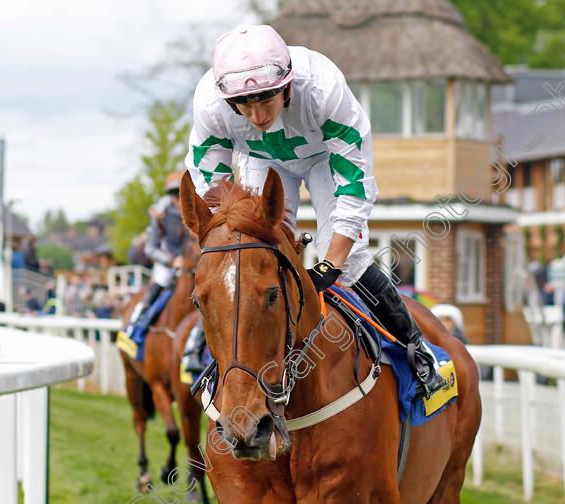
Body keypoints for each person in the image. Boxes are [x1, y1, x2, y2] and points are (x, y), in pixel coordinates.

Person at [184, 24, 445, 396]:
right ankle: (227, 361)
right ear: (227, 101)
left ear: (287, 86)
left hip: (326, 161)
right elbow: (211, 185)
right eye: (245, 105)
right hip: (262, 163)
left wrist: (331, 263)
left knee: (351, 260)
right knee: (248, 262)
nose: (257, 116)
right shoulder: (210, 104)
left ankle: (416, 350)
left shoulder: (324, 90)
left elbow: (355, 187)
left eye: (266, 100)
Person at [130, 170, 189, 329]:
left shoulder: (197, 207)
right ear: (170, 197)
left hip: (191, 261)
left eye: (184, 194)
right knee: (161, 280)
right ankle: (136, 323)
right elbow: (150, 248)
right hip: (168, 260)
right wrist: (172, 260)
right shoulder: (158, 213)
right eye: (176, 196)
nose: (181, 200)